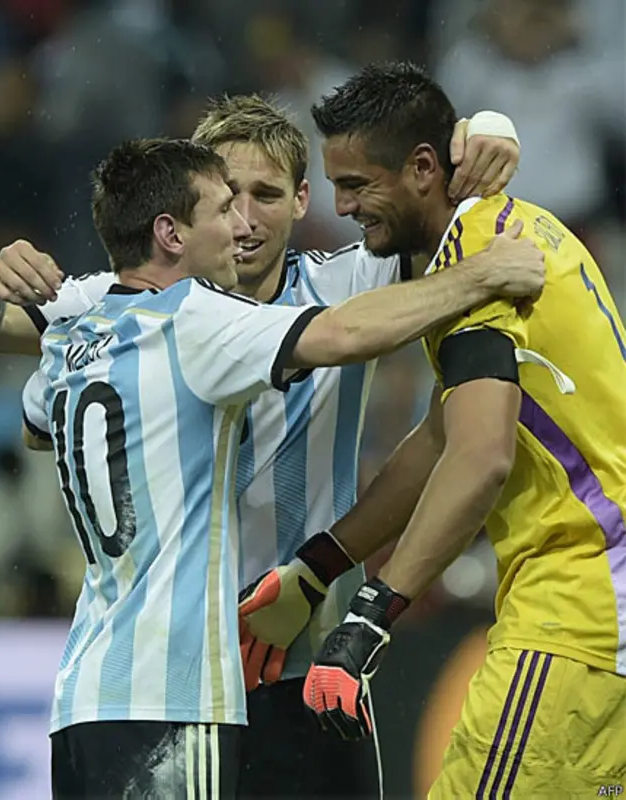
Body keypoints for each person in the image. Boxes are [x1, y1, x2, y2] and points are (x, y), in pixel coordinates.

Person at [0, 104, 545, 799]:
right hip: (191, 676)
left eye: (267, 196)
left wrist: (489, 130)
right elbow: (5, 330)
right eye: (228, 197)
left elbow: (444, 213)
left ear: (303, 201)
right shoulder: (132, 300)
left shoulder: (351, 279)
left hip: (300, 671)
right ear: (180, 214)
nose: (245, 221)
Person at [242, 62, 626, 796]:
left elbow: (481, 458)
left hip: (576, 607)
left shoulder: (483, 260)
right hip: (601, 611)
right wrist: (322, 563)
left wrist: (371, 615)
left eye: (357, 184)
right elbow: (444, 436)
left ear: (423, 167)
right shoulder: (500, 231)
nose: (343, 205)